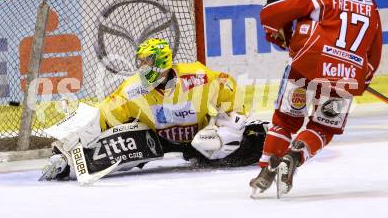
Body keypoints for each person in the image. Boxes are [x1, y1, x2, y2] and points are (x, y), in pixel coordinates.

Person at [249, 0, 382, 197]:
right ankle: (295, 157)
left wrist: (276, 32)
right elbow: (373, 52)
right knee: (323, 127)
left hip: (307, 66)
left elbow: (274, 7)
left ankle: (266, 170)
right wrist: (361, 79)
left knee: (286, 121)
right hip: (346, 74)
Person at [43, 38, 267, 181]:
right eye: (140, 62)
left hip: (199, 137)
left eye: (147, 62)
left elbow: (227, 85)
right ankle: (67, 164)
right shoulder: (133, 90)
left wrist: (228, 127)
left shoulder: (197, 77)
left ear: (162, 62)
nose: (142, 67)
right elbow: (101, 116)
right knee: (121, 143)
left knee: (248, 143)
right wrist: (64, 150)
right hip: (154, 140)